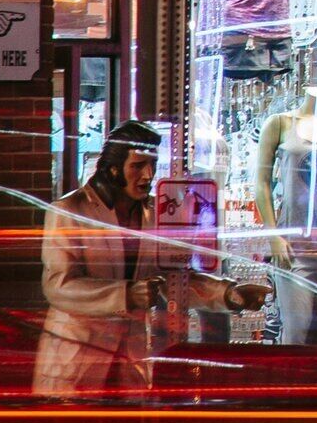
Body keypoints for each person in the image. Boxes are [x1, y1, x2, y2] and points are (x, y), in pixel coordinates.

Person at [36, 121, 235, 397]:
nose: (148, 175)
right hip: (77, 360)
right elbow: (58, 287)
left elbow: (174, 277)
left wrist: (228, 293)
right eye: (138, 166)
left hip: (131, 363)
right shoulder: (69, 210)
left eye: (152, 165)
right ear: (113, 169)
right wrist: (126, 294)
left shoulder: (156, 212)